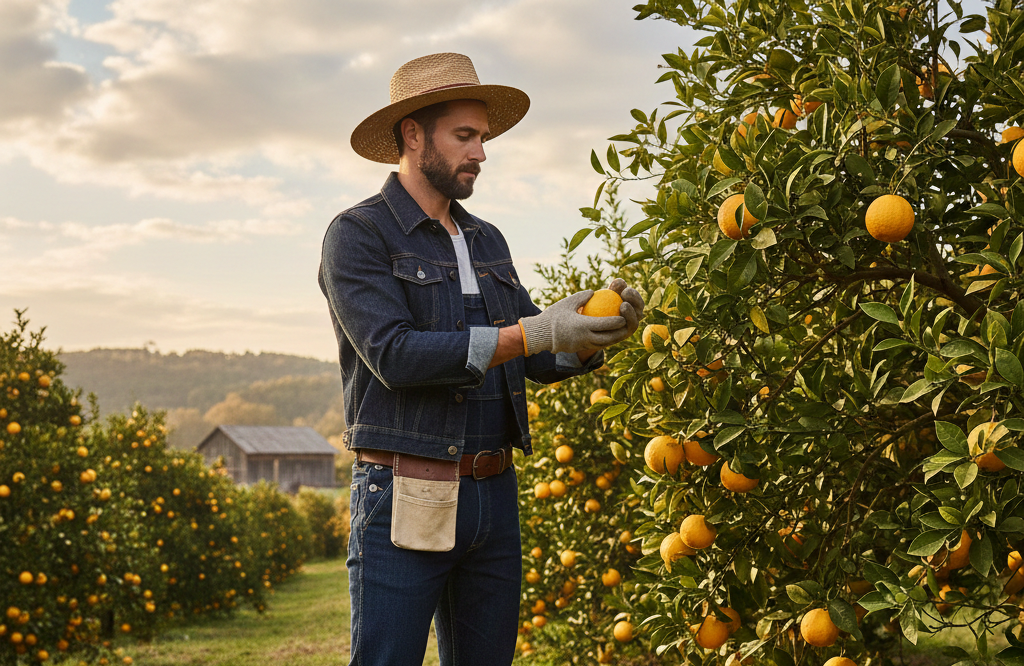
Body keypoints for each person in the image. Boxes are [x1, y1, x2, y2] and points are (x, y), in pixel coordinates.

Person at [319, 52, 644, 666]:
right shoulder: (360, 235)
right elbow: (395, 355)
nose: (481, 153)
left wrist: (590, 337)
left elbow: (535, 359)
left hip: (494, 495)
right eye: (464, 137)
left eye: (483, 138)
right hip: (406, 491)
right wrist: (533, 333)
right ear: (413, 135)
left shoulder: (486, 239)